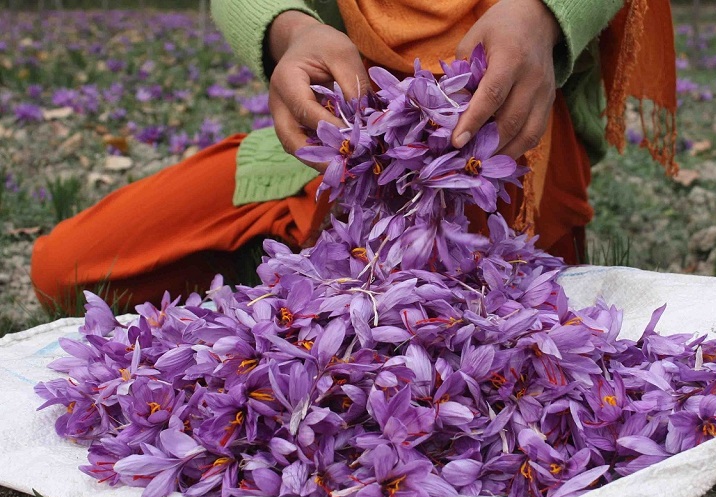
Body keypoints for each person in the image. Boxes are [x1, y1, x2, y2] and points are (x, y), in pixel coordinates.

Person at [30, 0, 677, 315]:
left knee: (463, 328)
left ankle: (320, 273)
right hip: (354, 140)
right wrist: (291, 28)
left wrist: (541, 17)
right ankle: (308, 259)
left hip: (500, 149)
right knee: (70, 268)